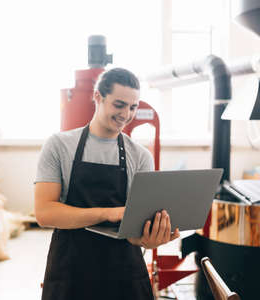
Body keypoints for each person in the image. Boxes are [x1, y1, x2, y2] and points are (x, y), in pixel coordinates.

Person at [34, 67, 180, 300]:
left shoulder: (141, 156)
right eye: (119, 105)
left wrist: (149, 239)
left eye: (133, 107)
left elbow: (134, 229)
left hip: (124, 275)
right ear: (98, 97)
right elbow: (45, 213)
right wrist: (107, 213)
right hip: (71, 272)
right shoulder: (59, 146)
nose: (126, 114)